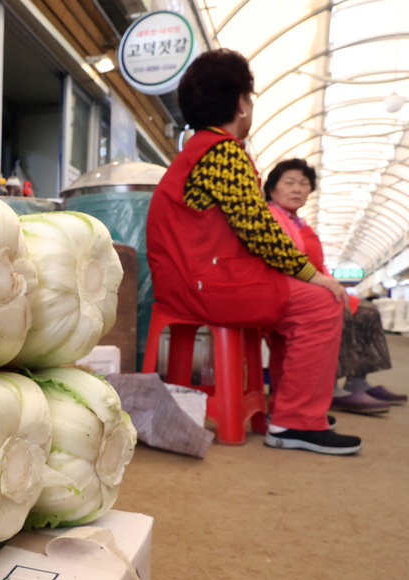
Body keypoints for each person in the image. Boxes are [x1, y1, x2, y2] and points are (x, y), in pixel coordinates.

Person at [147, 49, 359, 455]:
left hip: (187, 280)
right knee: (320, 302)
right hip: (205, 285)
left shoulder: (199, 148)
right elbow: (257, 228)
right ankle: (294, 421)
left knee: (303, 300)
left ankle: (289, 410)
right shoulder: (223, 151)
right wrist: (313, 274)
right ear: (242, 103)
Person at [263, 158, 407, 414]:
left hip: (308, 283)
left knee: (366, 311)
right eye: (290, 182)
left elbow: (319, 265)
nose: (297, 189)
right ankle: (329, 385)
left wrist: (330, 282)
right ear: (272, 188)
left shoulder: (299, 222)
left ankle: (357, 379)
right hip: (287, 288)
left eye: (304, 183)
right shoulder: (270, 217)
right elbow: (282, 261)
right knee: (340, 308)